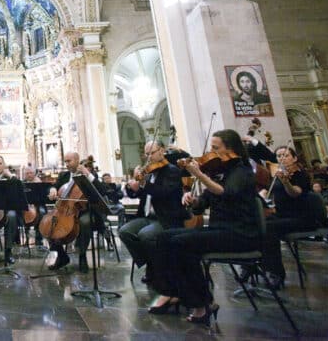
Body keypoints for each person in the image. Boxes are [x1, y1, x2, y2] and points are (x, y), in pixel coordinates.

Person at [147, 129, 258, 324]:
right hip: (219, 230)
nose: (211, 152)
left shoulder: (242, 171)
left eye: (216, 148)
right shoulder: (219, 173)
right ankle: (172, 292)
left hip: (240, 233)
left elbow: (226, 193)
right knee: (164, 237)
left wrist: (199, 174)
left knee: (181, 243)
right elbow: (203, 203)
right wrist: (193, 200)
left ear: (230, 149)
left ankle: (200, 302)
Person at [118, 141, 189, 282]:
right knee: (124, 231)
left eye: (152, 153)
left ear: (162, 151)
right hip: (147, 217)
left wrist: (144, 183)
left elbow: (163, 193)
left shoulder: (172, 170)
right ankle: (152, 264)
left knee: (146, 235)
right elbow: (135, 195)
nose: (148, 157)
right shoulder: (149, 172)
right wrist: (133, 187)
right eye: (146, 154)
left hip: (166, 218)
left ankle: (157, 270)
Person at [255, 146, 317, 289]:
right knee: (258, 223)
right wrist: (263, 193)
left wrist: (286, 182)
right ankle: (258, 265)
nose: (282, 158)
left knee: (269, 227)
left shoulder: (301, 175)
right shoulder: (278, 174)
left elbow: (295, 193)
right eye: (278, 156)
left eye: (286, 155)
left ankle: (276, 273)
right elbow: (269, 190)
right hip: (283, 216)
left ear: (294, 158)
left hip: (302, 217)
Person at [45, 151, 103, 273]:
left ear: (77, 160)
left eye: (69, 161)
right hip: (66, 211)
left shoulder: (88, 174)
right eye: (65, 161)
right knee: (50, 223)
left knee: (84, 222)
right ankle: (62, 257)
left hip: (86, 210)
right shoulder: (64, 176)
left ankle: (82, 255)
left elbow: (102, 190)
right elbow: (54, 185)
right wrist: (53, 189)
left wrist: (88, 174)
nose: (66, 164)